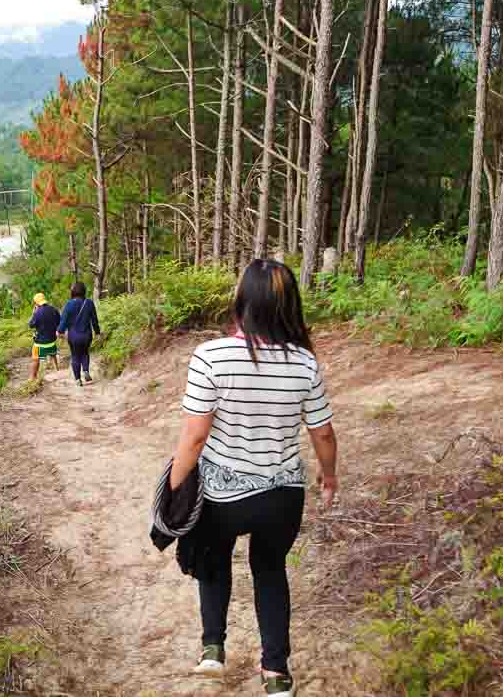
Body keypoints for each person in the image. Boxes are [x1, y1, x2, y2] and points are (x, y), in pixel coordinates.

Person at [168, 259, 339, 697]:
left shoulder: (210, 356)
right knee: (270, 571)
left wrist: (174, 486)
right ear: (288, 305)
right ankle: (276, 673)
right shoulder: (305, 363)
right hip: (282, 496)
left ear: (242, 301)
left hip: (223, 496)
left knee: (212, 560)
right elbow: (321, 431)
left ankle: (212, 650)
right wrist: (329, 477)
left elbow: (194, 436)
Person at [57, 281, 101, 387]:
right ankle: (85, 371)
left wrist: (60, 331)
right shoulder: (89, 303)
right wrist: (98, 332)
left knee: (75, 356)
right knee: (85, 353)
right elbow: (94, 320)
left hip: (74, 336)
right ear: (83, 291)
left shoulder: (69, 304)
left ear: (72, 292)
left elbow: (63, 321)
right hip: (87, 335)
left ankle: (78, 379)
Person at [28, 293, 61, 379]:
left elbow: (31, 325)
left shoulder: (37, 312)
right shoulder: (54, 309)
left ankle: (33, 377)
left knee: (35, 358)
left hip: (40, 343)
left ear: (36, 303)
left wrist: (33, 313)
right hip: (52, 341)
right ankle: (57, 370)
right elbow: (59, 322)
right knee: (53, 354)